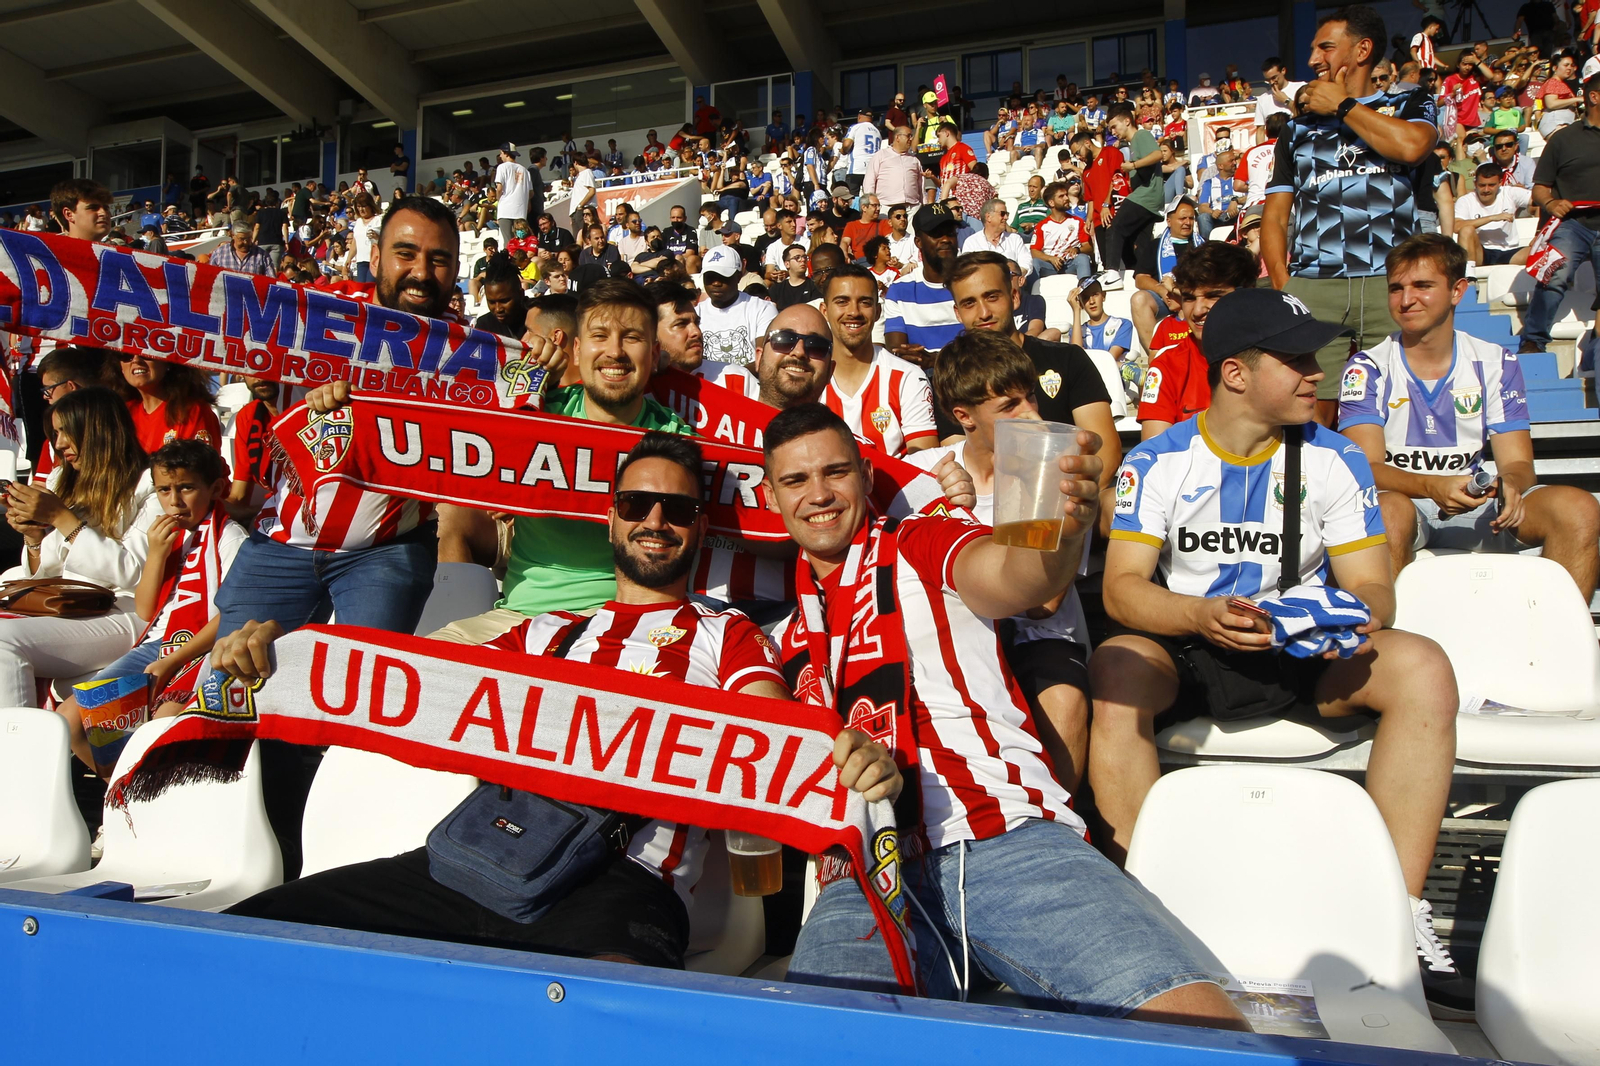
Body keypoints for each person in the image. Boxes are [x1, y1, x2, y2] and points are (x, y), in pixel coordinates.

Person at [222, 433, 899, 969]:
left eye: (679, 510)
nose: (655, 521)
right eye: (636, 504)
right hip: (476, 860)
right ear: (610, 520)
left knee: (608, 1016)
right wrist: (279, 658)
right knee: (242, 939)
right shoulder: (544, 633)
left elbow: (773, 728)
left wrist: (838, 754)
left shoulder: (729, 634)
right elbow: (412, 686)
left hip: (626, 883)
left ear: (700, 529)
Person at [767, 405, 1244, 1030]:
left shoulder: (920, 540)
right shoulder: (782, 641)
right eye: (796, 480)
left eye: (835, 472)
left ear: (865, 475)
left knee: (1198, 1032)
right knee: (811, 1043)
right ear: (771, 496)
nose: (819, 494)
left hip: (1005, 840)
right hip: (865, 878)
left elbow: (1015, 575)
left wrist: (1062, 531)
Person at [1089, 285, 1469, 1011]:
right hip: (1194, 644)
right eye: (1296, 360)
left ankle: (1397, 916)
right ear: (1236, 373)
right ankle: (1140, 922)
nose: (1315, 373)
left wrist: (1322, 618)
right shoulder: (1157, 460)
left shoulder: (1336, 457)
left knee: (1422, 666)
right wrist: (1198, 614)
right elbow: (1123, 590)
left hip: (1301, 649)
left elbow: (1374, 590)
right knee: (1115, 667)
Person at [1342, 234, 1599, 599]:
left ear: (1458, 291)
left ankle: (1560, 633)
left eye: (1422, 286)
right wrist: (1432, 486)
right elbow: (1364, 467)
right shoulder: (1366, 368)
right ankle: (1383, 633)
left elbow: (1519, 463)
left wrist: (1508, 484)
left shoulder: (1495, 361)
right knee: (1388, 512)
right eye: (1396, 288)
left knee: (1579, 508)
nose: (1406, 299)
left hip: (1476, 505)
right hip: (1403, 503)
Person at [912, 330, 1095, 789]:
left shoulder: (1058, 466)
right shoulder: (926, 474)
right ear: (963, 416)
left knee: (1063, 699)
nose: (1032, 414)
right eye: (1010, 405)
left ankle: (1062, 817)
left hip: (1039, 639)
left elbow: (1041, 603)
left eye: (1031, 397)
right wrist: (941, 507)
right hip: (956, 644)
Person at [1264, 4, 1438, 425]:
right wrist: (1287, 286)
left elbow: (1413, 147)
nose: (1312, 59)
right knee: (1308, 415)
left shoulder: (1410, 101)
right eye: (1313, 49)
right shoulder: (1296, 129)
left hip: (1391, 282)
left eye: (1325, 47)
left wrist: (1343, 106)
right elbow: (1275, 217)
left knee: (1400, 409)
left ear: (1362, 50)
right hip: (1315, 285)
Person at [52, 439, 245, 769]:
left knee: (160, 726)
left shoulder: (230, 538)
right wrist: (156, 553)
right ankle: (120, 791)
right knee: (71, 720)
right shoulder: (167, 536)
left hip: (200, 649)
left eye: (186, 488)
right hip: (156, 644)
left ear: (214, 489)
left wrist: (172, 662)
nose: (174, 501)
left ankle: (144, 791)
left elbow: (232, 615)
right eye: (164, 490)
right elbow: (145, 610)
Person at [0, 388, 154, 708]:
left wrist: (61, 517)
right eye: (55, 434)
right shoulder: (64, 480)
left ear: (97, 431)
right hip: (69, 605)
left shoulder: (150, 484)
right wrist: (33, 537)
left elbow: (133, 573)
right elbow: (51, 573)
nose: (58, 444)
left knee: (2, 642)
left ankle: (20, 740)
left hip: (124, 613)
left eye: (65, 432)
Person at [945, 251, 1121, 529]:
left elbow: (1105, 453)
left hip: (1069, 511)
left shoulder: (1067, 359)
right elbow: (958, 463)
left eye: (992, 297)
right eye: (969, 303)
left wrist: (1058, 511)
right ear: (957, 312)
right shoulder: (953, 379)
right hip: (988, 523)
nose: (984, 312)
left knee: (1117, 505)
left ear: (1015, 296)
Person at [1137, 243, 1260, 439]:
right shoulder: (1166, 366)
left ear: (1246, 294)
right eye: (1189, 298)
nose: (1197, 311)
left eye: (1213, 296)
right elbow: (1155, 450)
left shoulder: (1277, 359)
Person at [818, 264, 937, 458]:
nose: (853, 312)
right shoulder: (810, 378)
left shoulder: (907, 377)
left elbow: (925, 461)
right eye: (842, 302)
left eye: (864, 302)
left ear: (878, 311)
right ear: (824, 311)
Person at [1518, 71, 1600, 353]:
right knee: (1555, 274)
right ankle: (1533, 339)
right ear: (1594, 97)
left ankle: (1594, 351)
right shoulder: (1563, 139)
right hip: (1572, 224)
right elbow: (1540, 188)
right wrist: (1552, 204)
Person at [884, 203, 964, 368]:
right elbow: (897, 354)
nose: (945, 239)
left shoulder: (973, 284)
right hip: (920, 378)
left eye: (950, 233)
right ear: (918, 242)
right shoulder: (899, 290)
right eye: (936, 234)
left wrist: (936, 360)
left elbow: (986, 348)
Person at [1104, 104, 1166, 273]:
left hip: (1146, 196)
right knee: (1139, 245)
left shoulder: (1141, 135)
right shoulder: (1133, 144)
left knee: (1115, 229)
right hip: (1151, 200)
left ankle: (1111, 273)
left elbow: (1158, 154)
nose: (1113, 132)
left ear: (1127, 121)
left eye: (1114, 127)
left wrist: (1133, 165)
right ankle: (1141, 275)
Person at [1131, 200, 1198, 352]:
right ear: (1169, 221)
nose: (1188, 222)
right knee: (1139, 299)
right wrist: (1162, 290)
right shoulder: (1155, 246)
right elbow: (1140, 278)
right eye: (1183, 218)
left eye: (1191, 218)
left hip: (1193, 297)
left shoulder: (1202, 246)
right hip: (1165, 299)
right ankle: (1156, 354)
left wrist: (1179, 293)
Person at [119, 353, 220, 454]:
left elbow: (201, 462)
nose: (136, 360)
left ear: (168, 362)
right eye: (127, 356)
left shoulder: (192, 410)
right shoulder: (122, 412)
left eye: (147, 354)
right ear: (121, 368)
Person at [697, 246, 776, 366]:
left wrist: (731, 375)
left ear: (738, 277)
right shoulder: (695, 314)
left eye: (723, 276)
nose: (716, 283)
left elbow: (765, 360)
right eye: (710, 277)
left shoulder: (762, 309)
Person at [1453, 163, 1533, 265]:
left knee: (1541, 250)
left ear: (1500, 183)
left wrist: (1539, 233)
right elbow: (1457, 226)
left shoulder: (1509, 193)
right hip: (1481, 252)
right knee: (1466, 230)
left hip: (1511, 251)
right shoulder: (1466, 200)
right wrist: (1492, 218)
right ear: (1475, 183)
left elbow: (1540, 201)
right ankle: (1469, 273)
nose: (1486, 190)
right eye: (1482, 185)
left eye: (1491, 185)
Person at [1030, 181, 1093, 284]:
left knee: (1083, 258)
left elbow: (1089, 247)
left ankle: (1085, 289)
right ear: (1051, 203)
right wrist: (1051, 259)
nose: (1066, 198)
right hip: (1050, 265)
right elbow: (1034, 251)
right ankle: (1029, 293)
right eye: (1061, 196)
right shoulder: (1042, 226)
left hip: (1071, 263)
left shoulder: (1078, 222)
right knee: (1035, 263)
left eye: (1066, 195)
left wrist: (1077, 249)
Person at [646, 281, 705, 372]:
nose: (696, 332)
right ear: (651, 334)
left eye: (697, 322)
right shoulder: (631, 379)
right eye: (681, 324)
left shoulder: (726, 377)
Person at [1069, 280, 1133, 363]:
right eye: (1085, 298)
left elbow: (1110, 359)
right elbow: (1077, 359)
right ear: (1080, 303)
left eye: (1095, 294)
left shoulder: (1122, 324)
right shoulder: (1076, 332)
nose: (1092, 301)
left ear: (1103, 296)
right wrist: (1076, 310)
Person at [863, 126, 923, 214]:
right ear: (897, 137)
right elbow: (869, 180)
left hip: (912, 209)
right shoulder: (881, 155)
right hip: (886, 208)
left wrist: (923, 204)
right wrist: (871, 204)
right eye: (908, 136)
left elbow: (921, 184)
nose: (911, 139)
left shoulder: (914, 160)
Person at [474, 256, 530, 339]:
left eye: (504, 301)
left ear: (521, 294)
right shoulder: (483, 326)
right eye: (492, 302)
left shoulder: (540, 316)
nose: (498, 309)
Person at [1195, 151, 1242, 241]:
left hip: (1238, 214)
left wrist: (1236, 201)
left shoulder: (1240, 180)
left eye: (1235, 160)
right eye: (1231, 161)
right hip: (1218, 217)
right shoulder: (1209, 183)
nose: (1235, 163)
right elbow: (1202, 207)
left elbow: (1251, 196)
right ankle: (1208, 245)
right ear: (1221, 166)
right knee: (1203, 217)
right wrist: (1212, 212)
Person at [50, 178, 113, 242]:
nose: (104, 213)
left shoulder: (114, 248)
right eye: (93, 208)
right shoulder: (53, 248)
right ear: (69, 214)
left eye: (106, 208)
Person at [211, 221, 276, 276]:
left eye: (248, 238)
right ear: (233, 235)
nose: (245, 242)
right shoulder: (219, 254)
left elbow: (271, 280)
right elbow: (211, 277)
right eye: (242, 239)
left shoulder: (263, 255)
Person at [1256, 56, 1304, 127]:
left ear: (1283, 71)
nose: (1271, 82)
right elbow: (1260, 130)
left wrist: (1286, 101)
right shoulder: (1262, 99)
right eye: (1268, 80)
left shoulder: (1301, 88)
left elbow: (1307, 115)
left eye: (1274, 78)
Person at [771, 244, 821, 310]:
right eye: (797, 258)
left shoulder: (815, 286)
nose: (803, 260)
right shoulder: (776, 289)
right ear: (787, 264)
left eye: (804, 257)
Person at [841, 195, 889, 262]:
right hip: (860, 262)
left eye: (879, 206)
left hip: (879, 261)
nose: (878, 209)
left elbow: (890, 240)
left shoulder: (884, 223)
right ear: (864, 207)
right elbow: (845, 242)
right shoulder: (851, 225)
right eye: (874, 205)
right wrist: (845, 255)